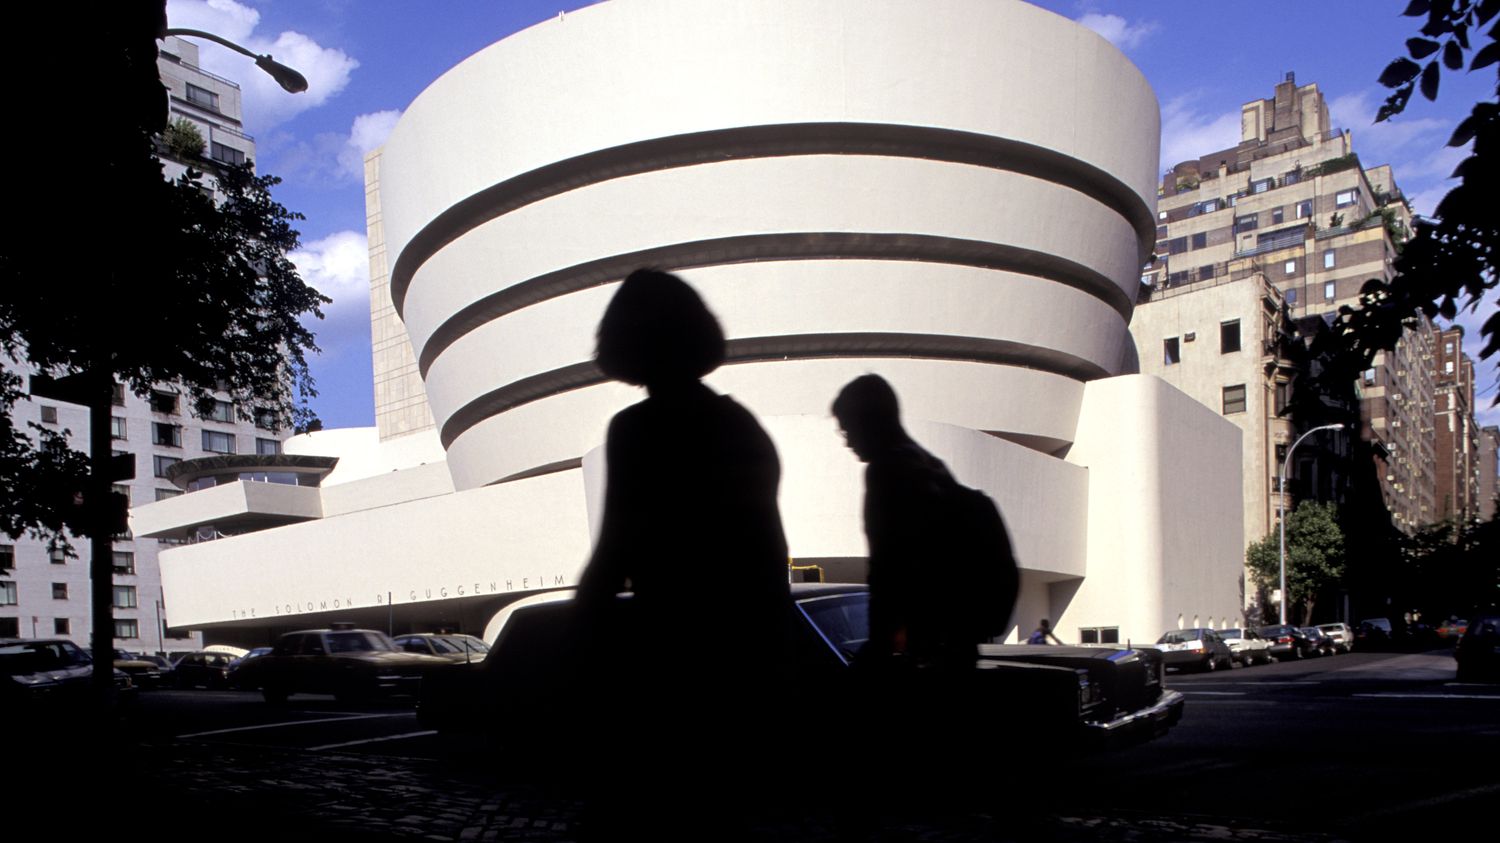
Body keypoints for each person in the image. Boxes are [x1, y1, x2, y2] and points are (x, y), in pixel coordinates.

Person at [571, 269, 791, 835]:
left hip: (665, 658)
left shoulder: (637, 431)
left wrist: (583, 641)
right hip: (739, 660)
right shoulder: (742, 428)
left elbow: (613, 551)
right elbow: (770, 562)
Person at [831, 373, 980, 670]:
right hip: (957, 641)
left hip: (926, 649)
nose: (848, 442)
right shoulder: (933, 466)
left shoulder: (887, 470)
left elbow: (887, 569)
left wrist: (877, 649)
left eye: (847, 429)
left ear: (869, 421)